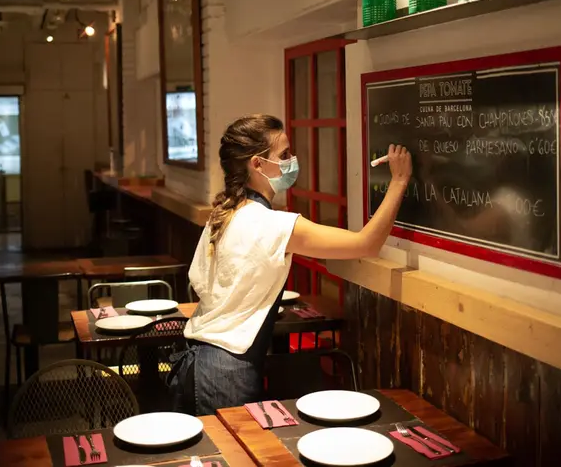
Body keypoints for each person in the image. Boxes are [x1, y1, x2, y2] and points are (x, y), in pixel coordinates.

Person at [166, 114, 412, 415]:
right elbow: (367, 244)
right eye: (283, 155)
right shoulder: (273, 224)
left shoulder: (223, 213)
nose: (292, 161)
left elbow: (202, 284)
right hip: (226, 371)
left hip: (195, 361)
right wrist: (399, 181)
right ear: (257, 164)